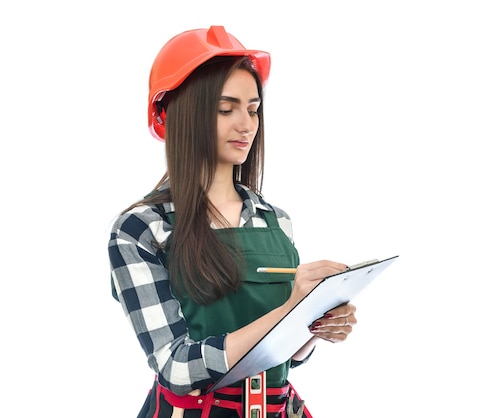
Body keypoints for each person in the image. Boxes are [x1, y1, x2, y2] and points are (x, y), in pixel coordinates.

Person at [108, 25, 357, 418]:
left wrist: (312, 324)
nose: (247, 124)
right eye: (226, 109)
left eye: (253, 109)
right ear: (183, 115)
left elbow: (280, 360)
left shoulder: (275, 221)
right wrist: (287, 310)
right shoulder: (141, 229)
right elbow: (176, 367)